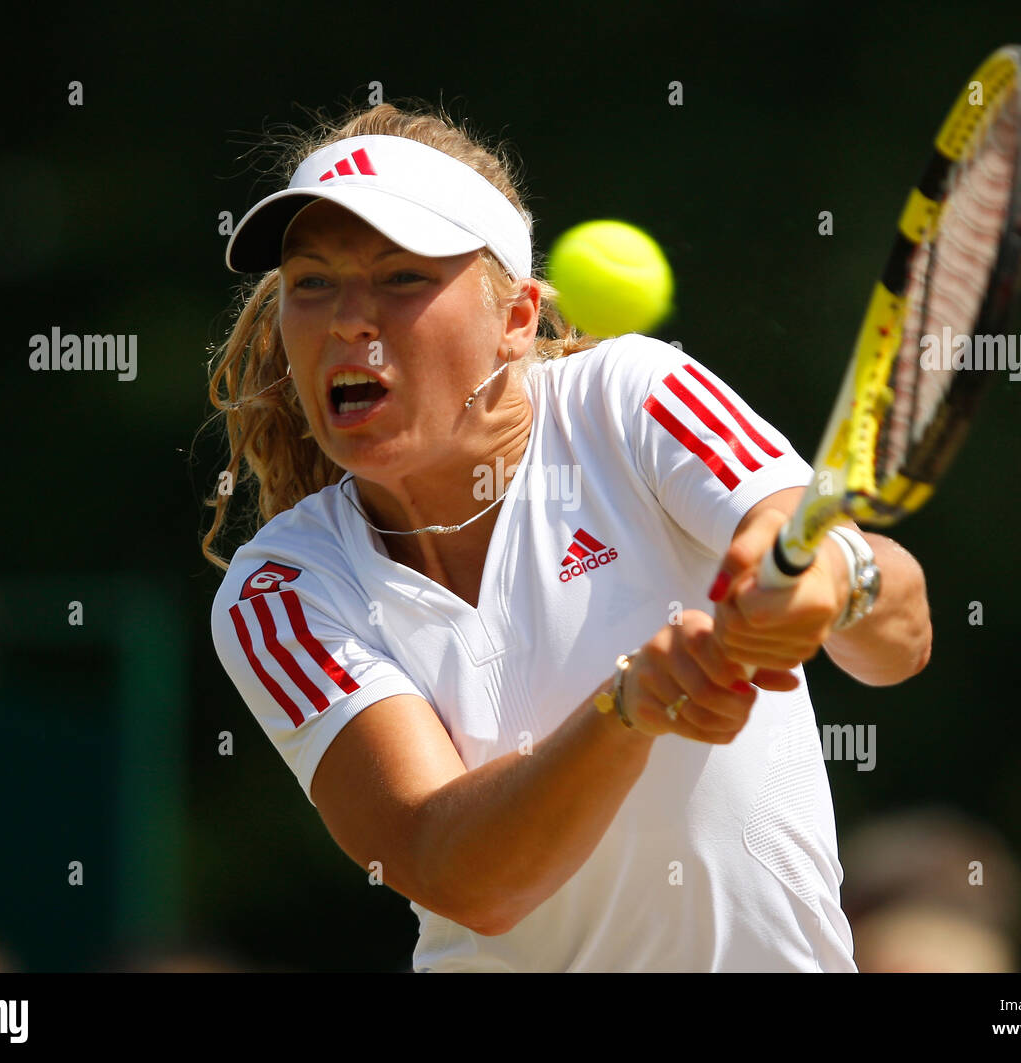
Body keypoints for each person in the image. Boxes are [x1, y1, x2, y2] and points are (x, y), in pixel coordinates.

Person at [202, 102, 932, 972]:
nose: (348, 320)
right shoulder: (278, 590)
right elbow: (460, 874)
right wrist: (630, 708)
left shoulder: (632, 396)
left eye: (401, 278)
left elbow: (898, 639)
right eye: (311, 282)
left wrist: (832, 581)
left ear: (516, 319)